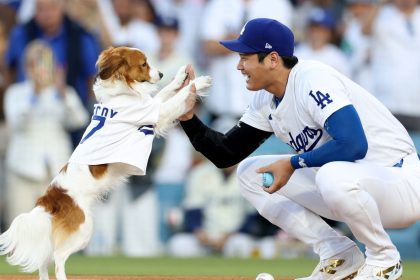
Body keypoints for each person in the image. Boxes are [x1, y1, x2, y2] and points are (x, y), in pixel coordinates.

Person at [178, 18, 420, 280]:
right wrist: (188, 118)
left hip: (399, 181)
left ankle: (384, 258)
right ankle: (338, 254)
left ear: (272, 59)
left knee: (331, 175)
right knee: (251, 174)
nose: (239, 66)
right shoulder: (265, 99)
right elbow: (225, 154)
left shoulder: (312, 79)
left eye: (245, 57)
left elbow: (353, 144)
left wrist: (293, 163)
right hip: (353, 186)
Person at [3, 40, 89, 226]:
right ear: (27, 66)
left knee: (53, 229)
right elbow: (16, 122)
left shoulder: (62, 92)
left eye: (44, 62)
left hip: (54, 173)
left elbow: (79, 120)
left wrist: (63, 94)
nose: (40, 68)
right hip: (22, 171)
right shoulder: (16, 93)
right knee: (21, 227)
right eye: (35, 63)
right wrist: (35, 95)